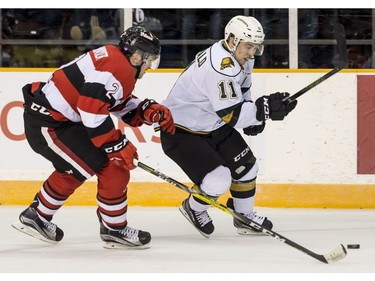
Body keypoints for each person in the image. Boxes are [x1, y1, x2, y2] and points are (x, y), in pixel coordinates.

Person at [12, 26, 175, 249]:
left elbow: (109, 100)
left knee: (78, 167)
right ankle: (113, 228)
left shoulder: (115, 59)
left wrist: (144, 110)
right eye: (149, 60)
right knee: (110, 163)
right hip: (49, 126)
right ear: (137, 56)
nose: (150, 66)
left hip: (56, 122)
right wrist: (114, 143)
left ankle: (38, 215)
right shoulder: (118, 67)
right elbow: (90, 109)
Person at [158, 15, 297, 238]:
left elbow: (242, 93)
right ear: (232, 41)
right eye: (249, 46)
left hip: (211, 124)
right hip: (180, 131)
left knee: (247, 168)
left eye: (256, 47)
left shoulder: (242, 58)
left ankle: (244, 216)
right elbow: (232, 115)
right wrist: (263, 111)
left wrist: (255, 115)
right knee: (218, 179)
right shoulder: (220, 67)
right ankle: (193, 208)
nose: (252, 53)